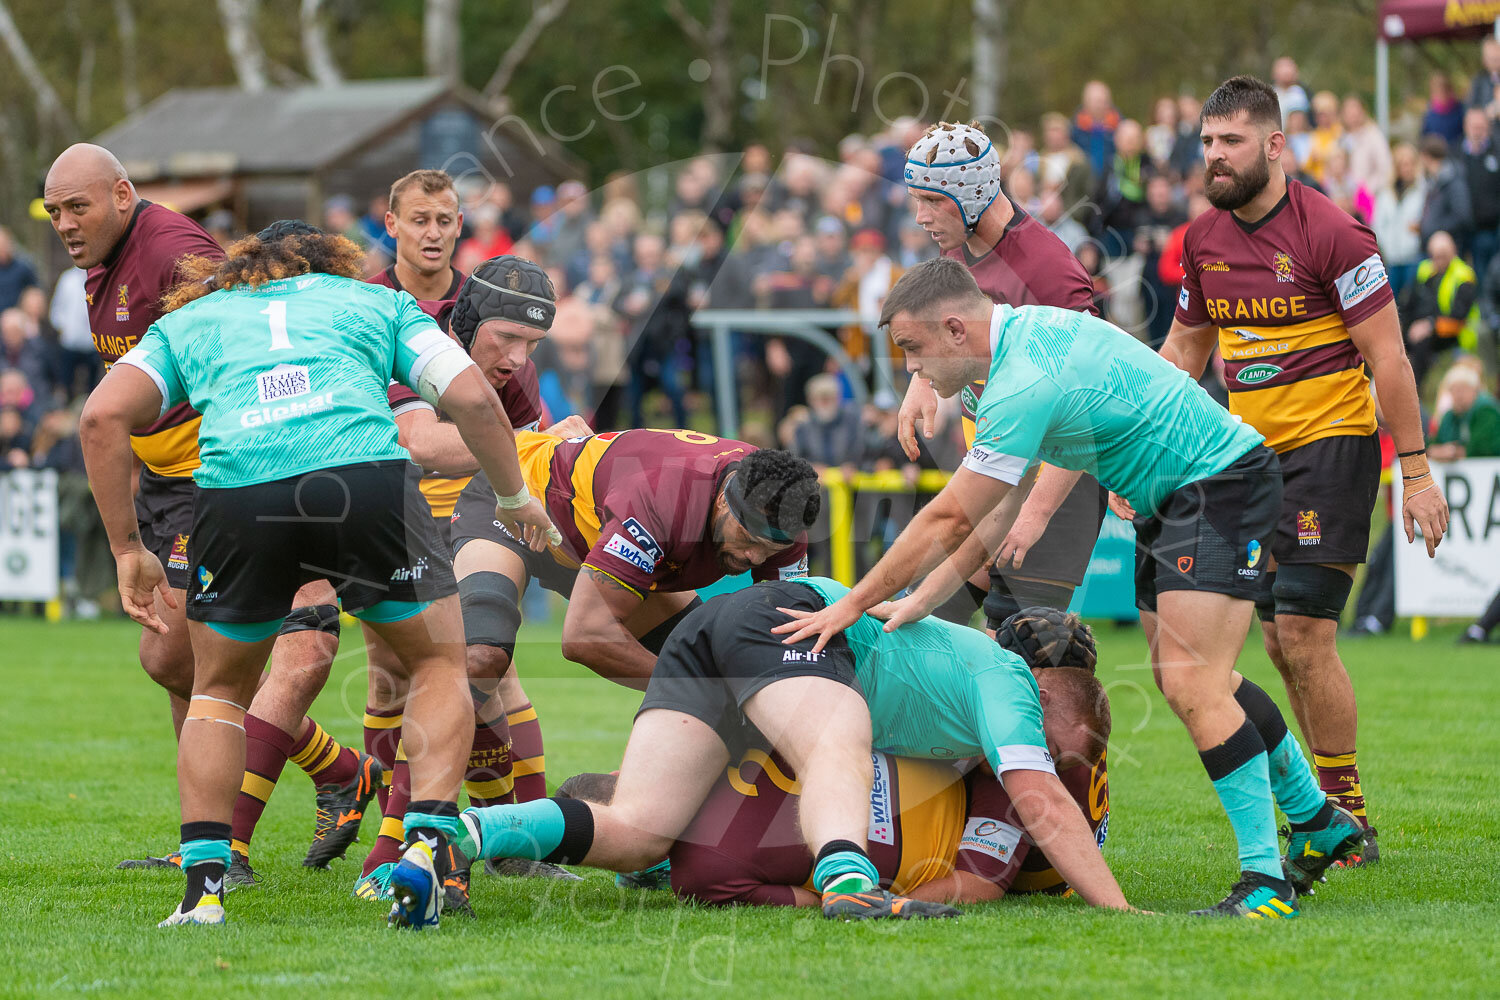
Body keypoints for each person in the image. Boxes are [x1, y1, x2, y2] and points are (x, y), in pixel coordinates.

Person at [778, 256, 1375, 917]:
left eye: (912, 350)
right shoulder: (1014, 351)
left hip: (1218, 482)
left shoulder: (1020, 380)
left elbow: (951, 516)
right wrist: (922, 598)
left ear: (955, 329)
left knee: (1195, 684)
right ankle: (1316, 820)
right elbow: (994, 512)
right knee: (1196, 680)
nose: (913, 370)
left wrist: (853, 603)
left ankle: (1267, 884)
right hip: (1177, 496)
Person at [78, 220, 559, 928]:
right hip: (362, 481)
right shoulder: (374, 300)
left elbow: (100, 418)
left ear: (242, 270)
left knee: (217, 692)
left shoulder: (194, 318)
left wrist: (127, 549)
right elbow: (474, 402)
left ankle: (203, 889)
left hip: (241, 493)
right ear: (332, 264)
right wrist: (515, 497)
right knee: (436, 664)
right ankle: (427, 849)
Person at [43, 144, 367, 874]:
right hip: (168, 481)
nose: (64, 223)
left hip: (217, 476)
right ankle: (336, 769)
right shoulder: (100, 259)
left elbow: (246, 340)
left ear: (122, 194)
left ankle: (217, 842)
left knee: (206, 657)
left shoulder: (175, 252)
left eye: (77, 207)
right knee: (173, 659)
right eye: (54, 211)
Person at [460, 577, 1132, 919]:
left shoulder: (969, 693)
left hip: (720, 633)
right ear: (1042, 695)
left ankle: (462, 833)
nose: (1041, 759)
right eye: (1049, 746)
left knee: (638, 830)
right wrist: (1120, 911)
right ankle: (852, 888)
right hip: (786, 626)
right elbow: (1039, 800)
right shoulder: (1011, 682)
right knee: (837, 746)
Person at [1161, 76, 1450, 864]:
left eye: (1231, 141)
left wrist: (1416, 472)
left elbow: (1389, 359)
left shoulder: (1335, 233)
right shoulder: (1202, 240)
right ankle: (1320, 811)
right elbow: (1184, 351)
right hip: (1246, 462)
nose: (1214, 156)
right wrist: (1142, 445)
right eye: (1207, 142)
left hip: (1331, 446)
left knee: (1304, 633)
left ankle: (1348, 816)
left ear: (1275, 145)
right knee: (1277, 645)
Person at [354, 254, 592, 909]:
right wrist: (532, 444)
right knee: (397, 677)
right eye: (507, 338)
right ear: (470, 321)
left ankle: (504, 846)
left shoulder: (516, 374)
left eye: (532, 344)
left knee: (484, 668)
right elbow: (422, 443)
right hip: (374, 507)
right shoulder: (413, 342)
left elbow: (514, 467)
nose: (518, 358)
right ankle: (389, 839)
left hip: (460, 516)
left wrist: (543, 454)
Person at [900, 121, 1108, 632]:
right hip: (995, 463)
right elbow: (945, 320)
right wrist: (920, 383)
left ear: (972, 195)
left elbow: (1091, 398)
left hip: (1055, 476)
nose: (921, 217)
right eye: (916, 200)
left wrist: (1036, 512)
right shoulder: (957, 240)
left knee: (1020, 646)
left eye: (932, 201)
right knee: (925, 625)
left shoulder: (1046, 269)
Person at [1405, 230, 1480, 387]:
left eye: (1443, 255)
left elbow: (1458, 316)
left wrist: (1430, 325)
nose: (1439, 260)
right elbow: (1410, 302)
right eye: (1435, 256)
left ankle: (1416, 388)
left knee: (1422, 343)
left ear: (1453, 252)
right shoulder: (1425, 269)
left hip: (1454, 332)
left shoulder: (1464, 276)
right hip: (1424, 325)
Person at [1371, 142, 1427, 298]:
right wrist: (1386, 245)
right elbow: (1378, 223)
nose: (1407, 168)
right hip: (1392, 257)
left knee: (1411, 298)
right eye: (1403, 164)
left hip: (1414, 255)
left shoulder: (1423, 190)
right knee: (1391, 299)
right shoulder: (1386, 193)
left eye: (1410, 164)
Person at [1458, 108, 1500, 280]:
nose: (1477, 131)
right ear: (1465, 127)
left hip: (1489, 229)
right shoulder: (1456, 153)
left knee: (1487, 276)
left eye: (1481, 127)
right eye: (1474, 126)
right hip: (1462, 230)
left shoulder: (1496, 152)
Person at [1419, 135, 1472, 249]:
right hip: (1433, 246)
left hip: (1450, 247)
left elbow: (1461, 216)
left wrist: (1434, 229)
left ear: (1426, 157)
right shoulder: (1433, 181)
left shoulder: (1453, 180)